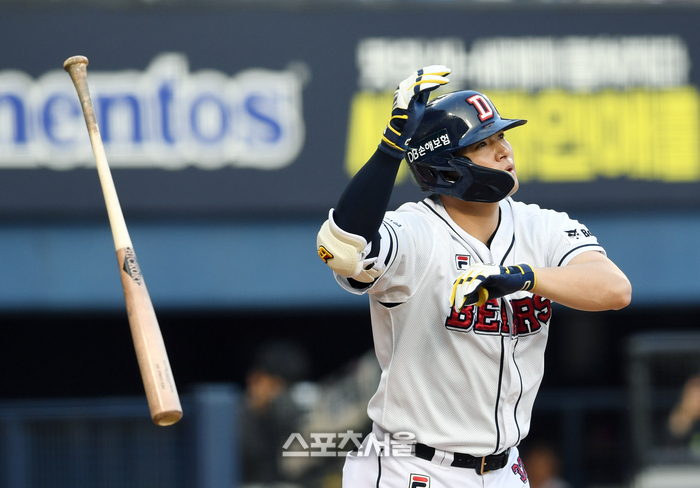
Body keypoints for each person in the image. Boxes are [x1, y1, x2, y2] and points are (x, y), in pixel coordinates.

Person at [316, 65, 631, 487]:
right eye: (483, 144)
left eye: (501, 136)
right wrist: (391, 147)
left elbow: (615, 289)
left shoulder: (542, 226)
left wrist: (524, 277)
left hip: (504, 469)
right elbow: (343, 248)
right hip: (411, 468)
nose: (504, 150)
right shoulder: (415, 233)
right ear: (446, 167)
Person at [239, 340, 310, 486]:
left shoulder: (290, 420)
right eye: (274, 385)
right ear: (254, 378)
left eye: (285, 388)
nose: (278, 394)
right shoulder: (232, 421)